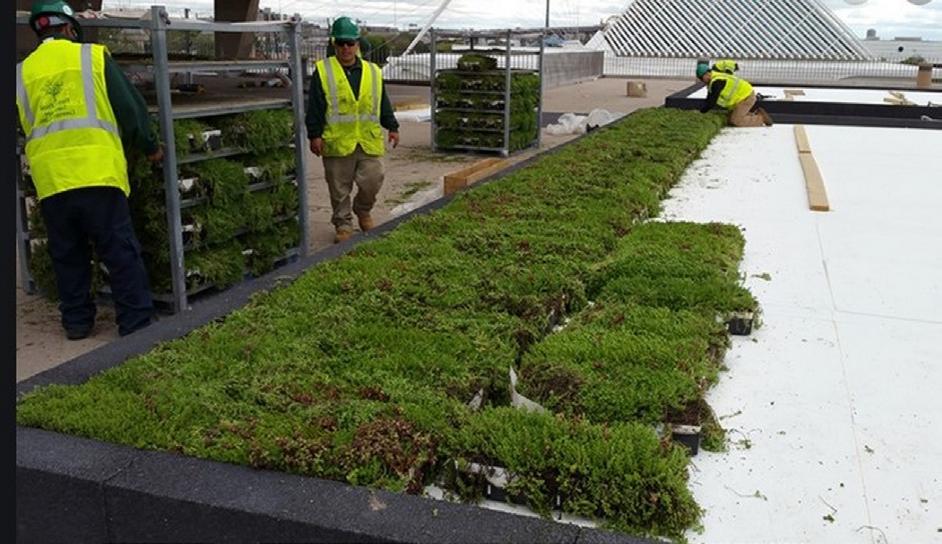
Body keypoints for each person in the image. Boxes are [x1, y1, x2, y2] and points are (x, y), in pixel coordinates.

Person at [16, 1, 163, 340]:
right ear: (70, 28)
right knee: (118, 250)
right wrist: (150, 146)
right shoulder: (92, 57)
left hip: (51, 181)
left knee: (67, 254)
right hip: (97, 173)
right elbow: (130, 109)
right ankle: (136, 324)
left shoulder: (21, 72)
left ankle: (77, 323)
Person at [306, 16, 400, 244]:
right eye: (341, 43)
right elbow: (315, 106)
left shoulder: (373, 71)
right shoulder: (323, 70)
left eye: (350, 43)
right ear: (334, 44)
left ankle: (363, 209)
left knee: (373, 179)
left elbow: (382, 102)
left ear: (358, 44)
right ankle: (343, 223)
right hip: (337, 141)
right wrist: (314, 135)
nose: (346, 48)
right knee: (339, 188)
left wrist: (392, 126)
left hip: (367, 140)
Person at [696, 63, 773, 127]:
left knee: (735, 121)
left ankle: (761, 118)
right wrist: (702, 110)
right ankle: (754, 114)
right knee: (730, 117)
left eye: (701, 78)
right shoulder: (714, 79)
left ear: (707, 74)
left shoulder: (717, 82)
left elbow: (712, 101)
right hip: (742, 98)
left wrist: (702, 112)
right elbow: (709, 99)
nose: (702, 80)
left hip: (746, 97)